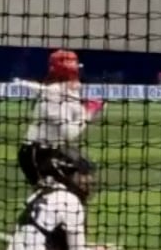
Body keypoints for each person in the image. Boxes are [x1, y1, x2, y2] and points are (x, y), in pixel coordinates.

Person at [18, 49, 102, 187]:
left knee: (86, 166)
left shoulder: (70, 92)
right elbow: (69, 133)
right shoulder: (54, 94)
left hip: (55, 149)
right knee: (62, 190)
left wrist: (86, 110)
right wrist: (89, 112)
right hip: (38, 153)